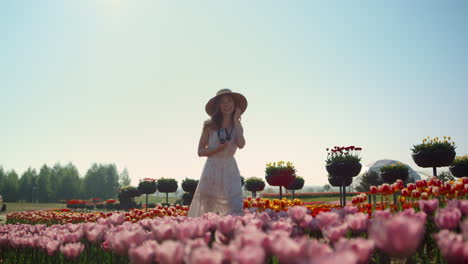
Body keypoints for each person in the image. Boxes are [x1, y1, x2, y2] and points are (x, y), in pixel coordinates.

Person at [188, 88, 247, 217]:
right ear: (218, 106)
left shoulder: (237, 125)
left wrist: (237, 121)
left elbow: (241, 144)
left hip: (230, 168)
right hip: (212, 168)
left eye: (229, 101)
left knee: (234, 206)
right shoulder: (209, 126)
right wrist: (216, 149)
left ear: (235, 104)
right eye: (223, 102)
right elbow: (200, 151)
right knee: (208, 208)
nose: (227, 105)